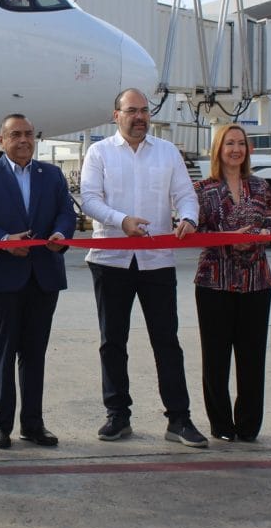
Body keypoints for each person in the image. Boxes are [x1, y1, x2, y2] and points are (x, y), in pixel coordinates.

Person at [80, 88, 208, 448]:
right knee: (112, 342)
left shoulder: (166, 152)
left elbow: (185, 194)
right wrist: (121, 221)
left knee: (167, 341)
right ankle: (118, 415)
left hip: (157, 262)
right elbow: (89, 199)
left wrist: (188, 217)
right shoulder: (99, 152)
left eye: (144, 111)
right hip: (111, 261)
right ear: (115, 115)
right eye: (131, 111)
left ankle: (179, 419)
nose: (139, 117)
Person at [0, 114, 77, 449]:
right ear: (1, 140)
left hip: (43, 275)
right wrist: (3, 239)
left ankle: (33, 423)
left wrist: (61, 234)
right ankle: (1, 424)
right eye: (16, 134)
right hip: (3, 276)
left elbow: (66, 213)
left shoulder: (52, 174)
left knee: (34, 352)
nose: (24, 140)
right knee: (5, 350)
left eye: (29, 134)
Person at [192, 124, 271, 443]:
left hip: (256, 281)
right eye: (229, 143)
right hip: (215, 281)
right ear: (218, 149)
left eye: (241, 143)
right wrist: (229, 239)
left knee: (252, 357)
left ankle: (249, 424)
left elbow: (270, 227)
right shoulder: (203, 189)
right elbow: (195, 232)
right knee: (215, 357)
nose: (236, 149)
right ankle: (221, 424)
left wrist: (259, 238)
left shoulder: (262, 187)